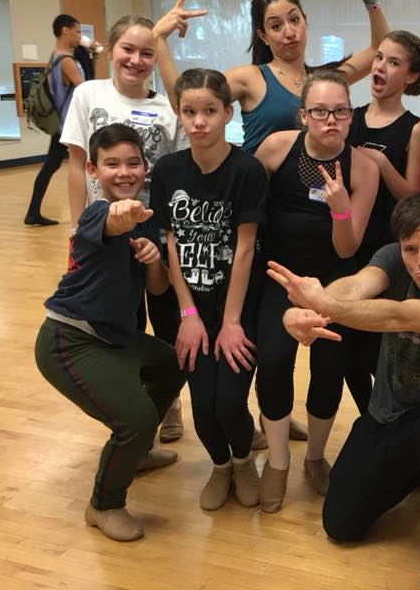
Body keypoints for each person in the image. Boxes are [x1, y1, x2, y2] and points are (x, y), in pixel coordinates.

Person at [267, 192, 420, 590]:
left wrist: (326, 305)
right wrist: (303, 313)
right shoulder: (394, 259)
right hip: (388, 415)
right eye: (411, 249)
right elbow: (357, 286)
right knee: (341, 524)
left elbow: (400, 315)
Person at [35, 123, 184, 542]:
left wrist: (153, 258)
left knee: (172, 364)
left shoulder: (145, 222)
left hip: (112, 338)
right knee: (134, 418)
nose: (124, 172)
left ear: (145, 167)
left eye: (133, 163)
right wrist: (123, 215)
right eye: (111, 164)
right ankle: (103, 505)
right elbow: (112, 222)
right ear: (93, 171)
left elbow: (158, 288)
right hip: (69, 340)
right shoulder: (95, 215)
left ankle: (138, 453)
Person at [253, 69, 378, 512]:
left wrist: (341, 209)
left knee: (329, 369)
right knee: (272, 362)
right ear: (303, 115)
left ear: (351, 116)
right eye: (320, 112)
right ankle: (278, 461)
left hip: (334, 281)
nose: (331, 121)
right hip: (279, 277)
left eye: (341, 112)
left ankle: (315, 456)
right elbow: (249, 210)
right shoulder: (276, 148)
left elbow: (348, 248)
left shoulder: (364, 167)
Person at [61, 14, 188, 443]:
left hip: (155, 226)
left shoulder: (167, 108)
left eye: (147, 52)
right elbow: (76, 165)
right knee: (124, 321)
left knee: (166, 319)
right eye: (127, 50)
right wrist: (78, 229)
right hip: (106, 231)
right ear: (111, 50)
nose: (136, 60)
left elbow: (175, 171)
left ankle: (169, 401)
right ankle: (134, 406)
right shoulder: (88, 94)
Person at [150, 69, 268, 510]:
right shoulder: (168, 170)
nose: (199, 122)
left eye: (210, 111)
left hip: (238, 304)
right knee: (202, 406)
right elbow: (171, 244)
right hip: (192, 309)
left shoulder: (247, 170)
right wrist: (187, 314)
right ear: (179, 113)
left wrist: (231, 322)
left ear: (228, 113)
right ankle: (220, 467)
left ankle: (243, 461)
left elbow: (245, 248)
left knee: (229, 404)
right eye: (190, 112)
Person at [153, 0, 390, 154]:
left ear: (305, 20)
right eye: (276, 26)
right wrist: (159, 39)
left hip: (311, 190)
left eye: (294, 20)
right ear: (263, 36)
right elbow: (182, 101)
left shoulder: (324, 81)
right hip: (260, 189)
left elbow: (379, 49)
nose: (289, 31)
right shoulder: (250, 78)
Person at [342, 29, 420, 412]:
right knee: (347, 348)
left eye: (394, 62)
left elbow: (413, 196)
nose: (380, 67)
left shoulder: (416, 128)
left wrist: (380, 163)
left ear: (411, 76)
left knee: (381, 348)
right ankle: (371, 418)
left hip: (388, 253)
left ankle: (397, 418)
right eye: (379, 57)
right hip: (349, 245)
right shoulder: (349, 118)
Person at [24, 14, 85, 226]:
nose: (79, 36)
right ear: (65, 31)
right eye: (77, 31)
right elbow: (84, 89)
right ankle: (34, 212)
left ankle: (33, 212)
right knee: (62, 165)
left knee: (51, 165)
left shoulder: (55, 56)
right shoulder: (66, 60)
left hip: (62, 122)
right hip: (68, 122)